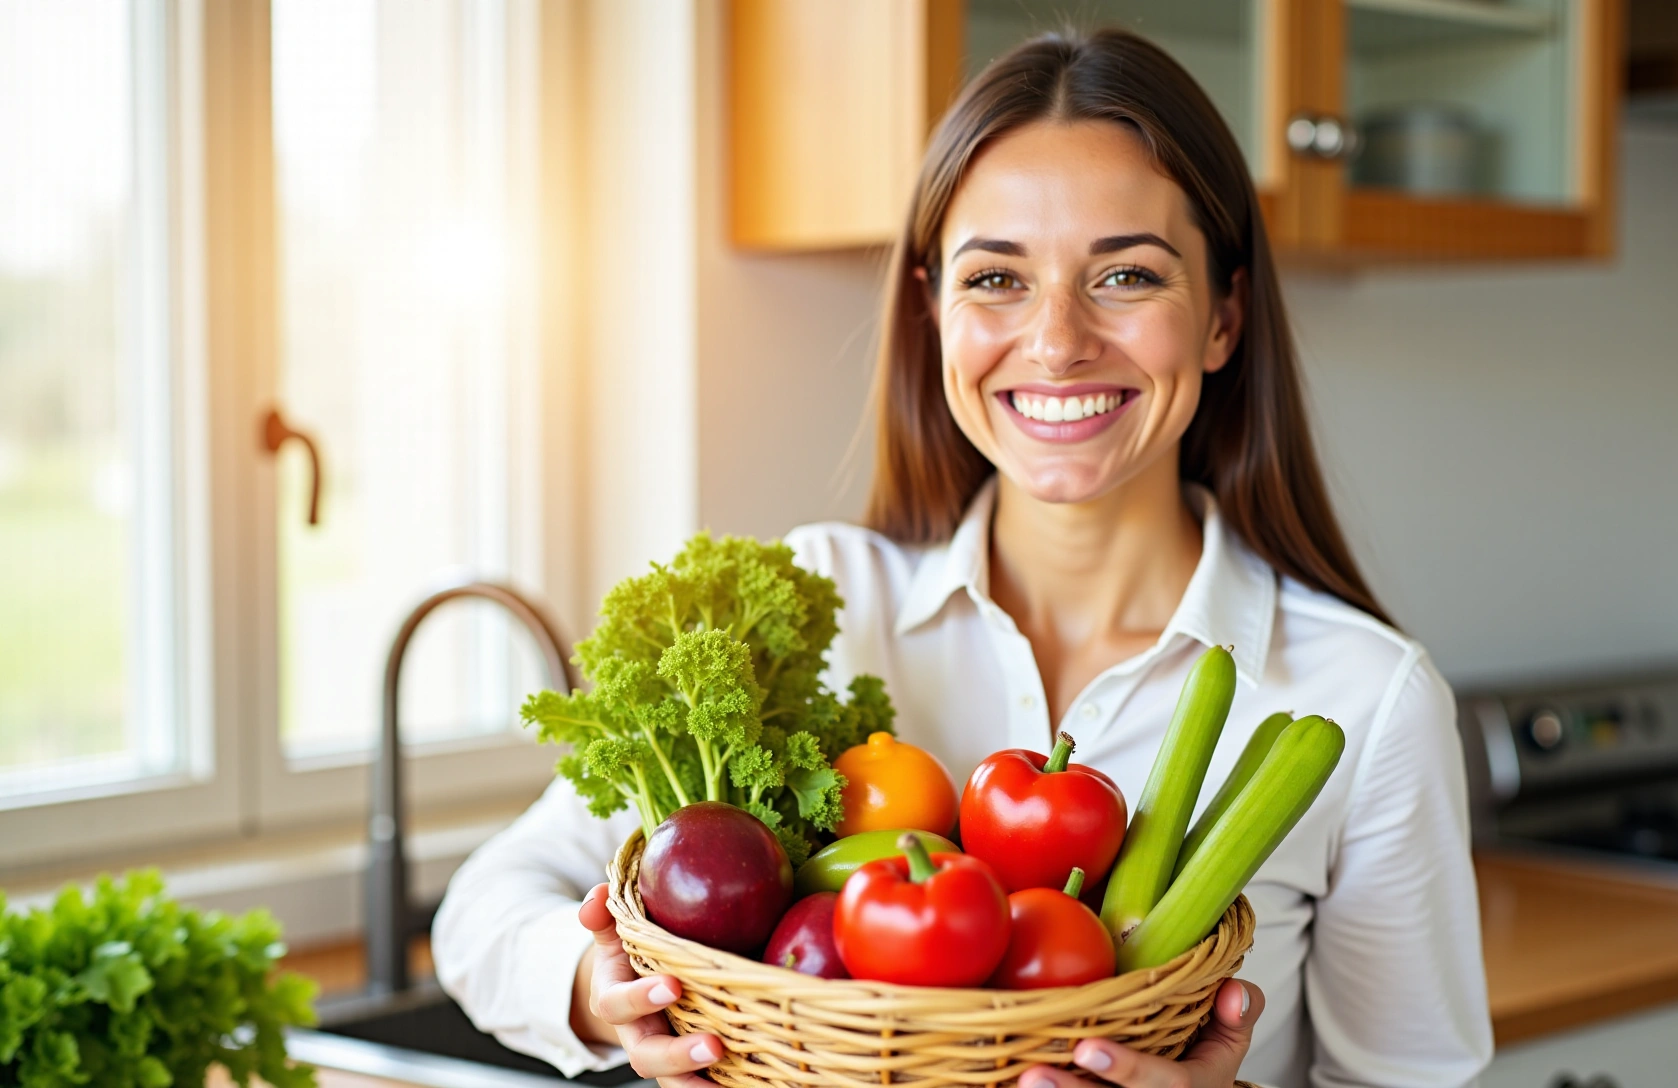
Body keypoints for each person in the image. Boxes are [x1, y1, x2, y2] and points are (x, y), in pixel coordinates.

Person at [433, 28, 1492, 1088]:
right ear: (933, 309)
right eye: (998, 279)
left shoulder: (1368, 699)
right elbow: (487, 904)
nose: (1056, 340)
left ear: (1223, 316)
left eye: (1126, 273)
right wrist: (598, 987)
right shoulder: (826, 603)